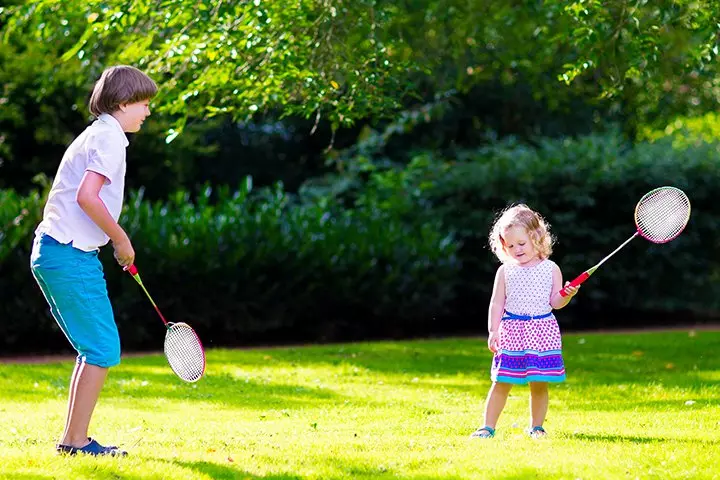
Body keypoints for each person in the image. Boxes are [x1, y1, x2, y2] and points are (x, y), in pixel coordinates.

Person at [30, 65, 157, 456]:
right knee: (102, 348)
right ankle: (77, 442)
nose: (148, 113)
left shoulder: (99, 133)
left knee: (95, 348)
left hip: (58, 251)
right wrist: (121, 238)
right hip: (67, 253)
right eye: (144, 104)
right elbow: (88, 197)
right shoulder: (109, 138)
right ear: (122, 103)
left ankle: (73, 441)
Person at [470, 204, 579, 439]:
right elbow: (496, 303)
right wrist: (493, 330)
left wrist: (567, 294)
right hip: (512, 331)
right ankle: (487, 427)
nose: (516, 249)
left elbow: (555, 302)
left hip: (541, 331)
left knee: (539, 383)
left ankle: (537, 427)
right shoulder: (505, 271)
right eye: (510, 245)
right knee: (501, 380)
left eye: (521, 243)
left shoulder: (551, 269)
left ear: (536, 238)